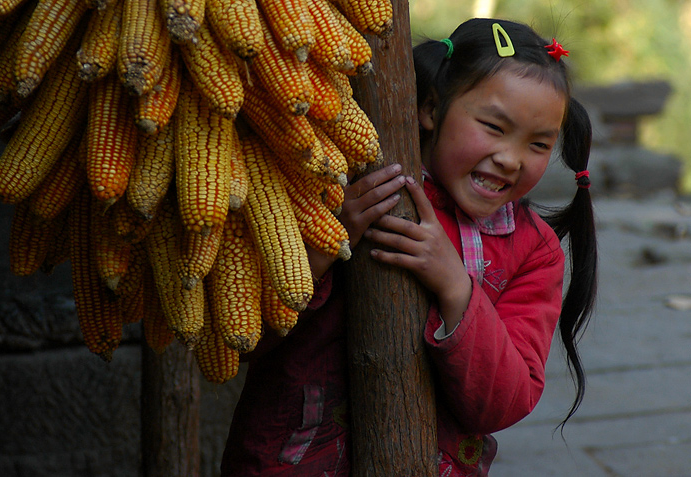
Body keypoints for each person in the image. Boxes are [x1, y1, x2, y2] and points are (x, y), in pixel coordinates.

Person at [221, 17, 597, 476]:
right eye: (494, 127)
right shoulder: (345, 185)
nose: (511, 158)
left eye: (538, 144)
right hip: (289, 459)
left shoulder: (534, 253)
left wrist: (457, 289)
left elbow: (502, 404)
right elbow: (242, 339)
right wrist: (325, 243)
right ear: (432, 108)